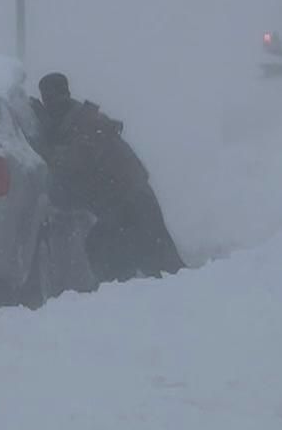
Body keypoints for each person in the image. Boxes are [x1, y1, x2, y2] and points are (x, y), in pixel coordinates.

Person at [32, 72, 183, 284]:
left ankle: (181, 299)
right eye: (48, 99)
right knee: (132, 258)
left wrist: (43, 147)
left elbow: (74, 163)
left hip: (131, 200)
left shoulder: (87, 123)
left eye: (53, 98)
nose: (51, 104)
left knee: (161, 265)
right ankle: (124, 297)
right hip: (124, 200)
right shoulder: (76, 120)